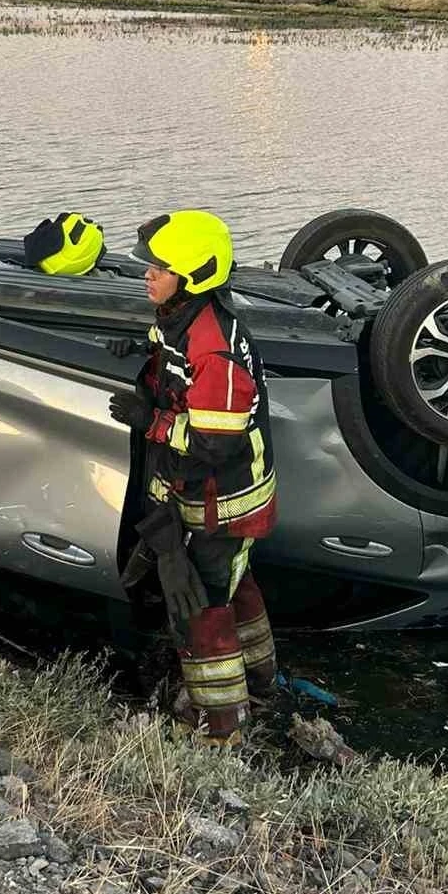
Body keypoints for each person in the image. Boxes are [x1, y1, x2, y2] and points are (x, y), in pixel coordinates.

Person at [108, 210, 277, 746]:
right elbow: (176, 368)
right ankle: (262, 681)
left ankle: (221, 729)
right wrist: (144, 355)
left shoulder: (214, 348)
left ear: (193, 276)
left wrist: (151, 421)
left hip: (225, 500)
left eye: (159, 268)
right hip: (205, 494)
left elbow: (213, 444)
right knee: (232, 583)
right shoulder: (181, 319)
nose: (147, 275)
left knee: (201, 605)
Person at [22, 212, 106, 276]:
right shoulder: (98, 234)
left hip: (50, 266)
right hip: (77, 271)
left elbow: (30, 245)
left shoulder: (67, 224)